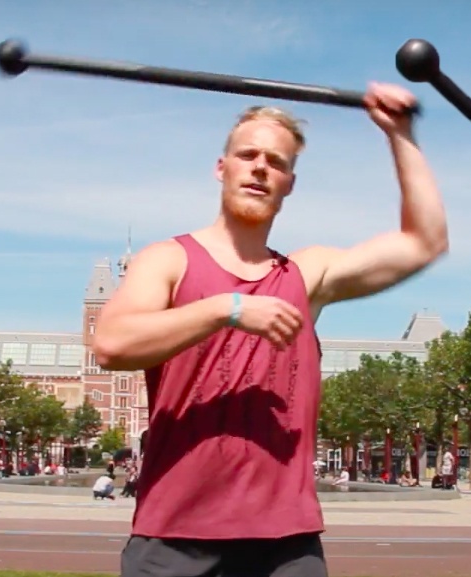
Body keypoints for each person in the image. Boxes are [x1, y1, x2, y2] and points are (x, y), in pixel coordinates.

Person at [93, 82, 448, 577]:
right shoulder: (167, 260)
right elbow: (111, 344)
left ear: (289, 183)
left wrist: (400, 135)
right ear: (222, 168)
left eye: (277, 162)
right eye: (248, 154)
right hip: (174, 539)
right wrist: (227, 308)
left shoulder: (305, 275)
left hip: (285, 546)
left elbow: (424, 242)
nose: (261, 167)